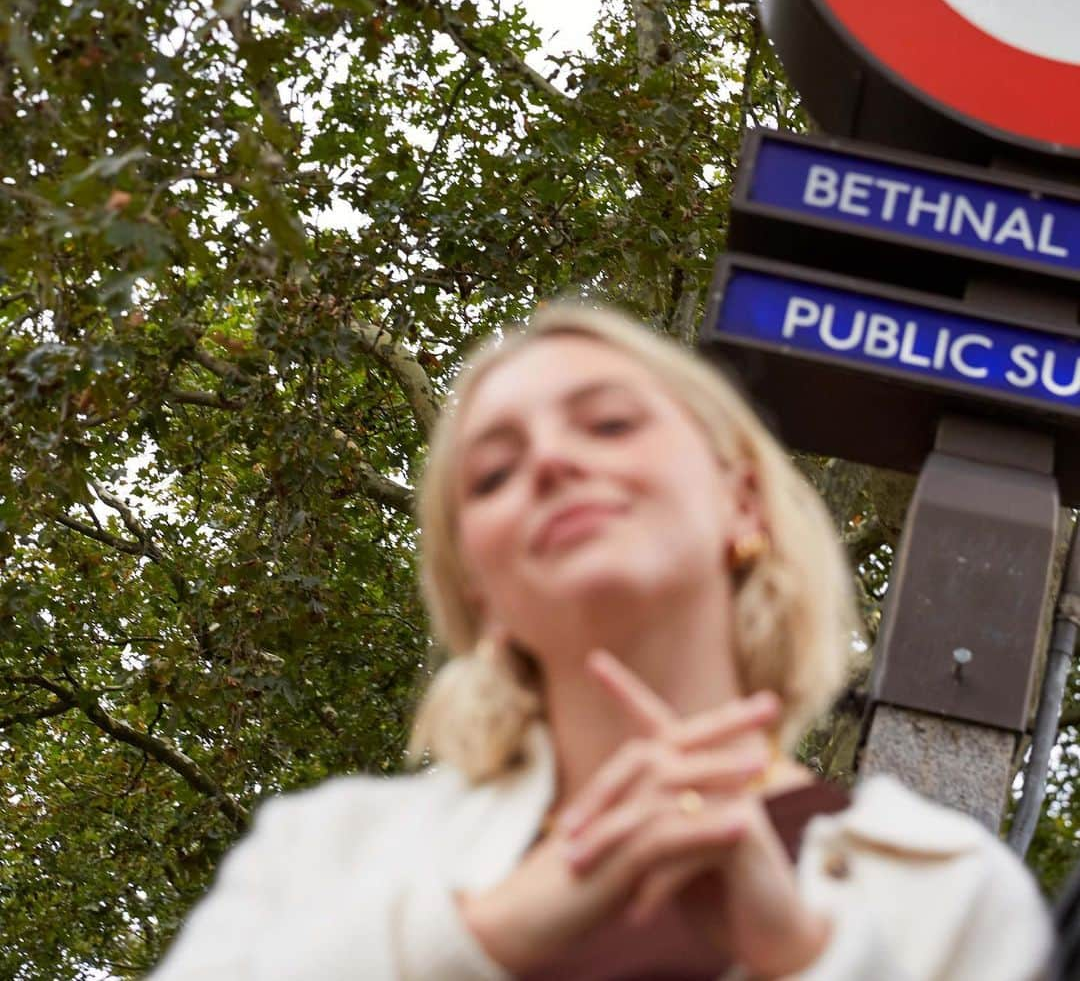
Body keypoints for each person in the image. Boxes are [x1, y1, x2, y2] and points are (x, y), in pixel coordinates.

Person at [150, 300, 1054, 980]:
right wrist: (477, 936)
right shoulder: (317, 857)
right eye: (495, 473)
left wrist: (805, 955)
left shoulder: (952, 891)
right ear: (481, 589)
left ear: (739, 501)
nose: (549, 462)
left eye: (612, 423)